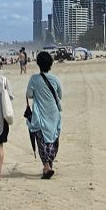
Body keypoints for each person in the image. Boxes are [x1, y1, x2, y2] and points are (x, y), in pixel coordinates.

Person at [25, 50, 63, 180]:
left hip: (40, 115)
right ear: (50, 64)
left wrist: (38, 93)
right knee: (53, 140)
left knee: (41, 141)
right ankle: (49, 165)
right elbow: (60, 95)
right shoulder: (55, 79)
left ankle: (46, 166)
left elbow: (29, 94)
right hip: (53, 114)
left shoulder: (34, 79)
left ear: (38, 64)